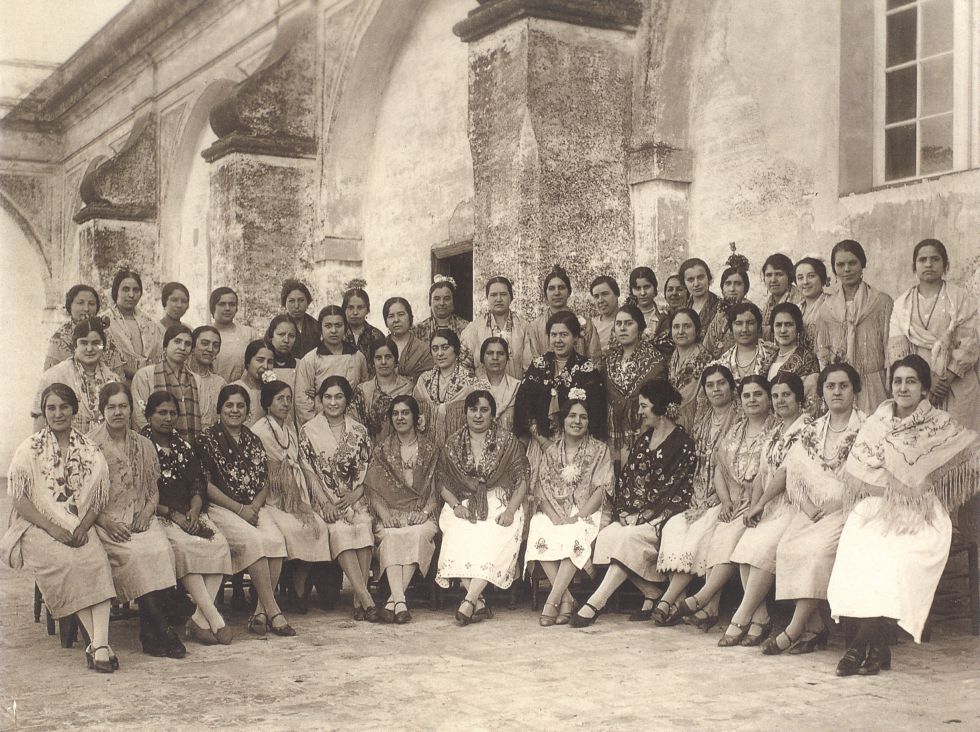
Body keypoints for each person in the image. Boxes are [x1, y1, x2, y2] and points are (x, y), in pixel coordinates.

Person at [828, 355, 980, 675]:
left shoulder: (939, 423)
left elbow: (969, 450)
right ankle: (878, 646)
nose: (903, 387)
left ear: (924, 388)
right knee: (858, 547)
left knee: (894, 557)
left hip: (921, 513)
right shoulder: (876, 423)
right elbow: (862, 467)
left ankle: (861, 645)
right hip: (877, 505)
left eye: (911, 381)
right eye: (898, 381)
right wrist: (888, 494)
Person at [1, 383, 117, 673]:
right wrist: (53, 527)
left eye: (64, 406)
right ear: (44, 412)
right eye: (51, 408)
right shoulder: (30, 448)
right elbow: (19, 498)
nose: (58, 413)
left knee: (95, 561)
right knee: (67, 563)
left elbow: (98, 496)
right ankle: (100, 645)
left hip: (80, 524)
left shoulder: (89, 449)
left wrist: (85, 525)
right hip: (38, 525)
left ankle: (99, 643)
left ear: (74, 411)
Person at [570, 380, 697, 627]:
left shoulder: (682, 443)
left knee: (628, 540)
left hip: (663, 517)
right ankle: (651, 593)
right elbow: (627, 480)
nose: (639, 412)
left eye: (644, 406)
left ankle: (595, 603)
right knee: (607, 536)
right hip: (634, 515)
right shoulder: (643, 440)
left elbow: (678, 489)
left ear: (659, 407)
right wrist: (626, 511)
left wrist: (645, 515)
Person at [763, 363, 865, 655]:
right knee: (787, 547)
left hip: (849, 507)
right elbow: (794, 472)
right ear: (821, 392)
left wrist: (840, 502)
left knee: (817, 552)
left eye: (843, 386)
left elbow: (871, 475)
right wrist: (807, 506)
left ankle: (794, 629)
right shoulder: (813, 430)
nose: (837, 392)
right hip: (812, 508)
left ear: (855, 390)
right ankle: (815, 626)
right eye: (830, 386)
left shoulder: (866, 428)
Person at [671, 375, 777, 633]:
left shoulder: (776, 429)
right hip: (735, 500)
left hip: (765, 501)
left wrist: (752, 502)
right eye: (747, 395)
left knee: (733, 536)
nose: (752, 400)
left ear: (768, 398)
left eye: (758, 394)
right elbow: (720, 467)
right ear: (740, 400)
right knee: (718, 532)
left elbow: (770, 474)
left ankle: (704, 597)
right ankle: (729, 612)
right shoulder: (736, 429)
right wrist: (727, 500)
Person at [89, 383, 184, 658]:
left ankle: (150, 631)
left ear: (131, 409)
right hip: (107, 522)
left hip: (142, 516)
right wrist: (105, 520)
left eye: (123, 406)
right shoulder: (90, 445)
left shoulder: (144, 444)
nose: (118, 412)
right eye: (111, 407)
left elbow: (153, 488)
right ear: (102, 410)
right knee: (136, 556)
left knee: (162, 550)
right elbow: (81, 496)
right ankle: (162, 629)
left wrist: (146, 512)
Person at [194, 385, 294, 637]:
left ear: (248, 411)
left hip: (253, 507)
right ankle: (274, 611)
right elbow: (205, 484)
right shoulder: (206, 440)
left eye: (240, 406)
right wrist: (239, 508)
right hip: (221, 508)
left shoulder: (253, 439)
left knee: (276, 541)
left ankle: (260, 612)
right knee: (255, 542)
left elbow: (264, 481)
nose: (235, 411)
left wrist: (253, 507)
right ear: (219, 409)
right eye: (229, 405)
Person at [141, 391, 234, 646]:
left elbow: (197, 483)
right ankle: (214, 618)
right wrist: (174, 515)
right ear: (149, 415)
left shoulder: (182, 445)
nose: (168, 418)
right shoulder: (140, 445)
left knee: (219, 545)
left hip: (190, 512)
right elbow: (140, 493)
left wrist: (194, 510)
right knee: (183, 547)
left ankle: (198, 620)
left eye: (172, 413)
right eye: (161, 413)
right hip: (160, 514)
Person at [723, 373, 809, 647]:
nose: (780, 400)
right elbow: (762, 473)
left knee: (759, 552)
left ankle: (741, 616)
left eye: (786, 394)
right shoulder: (774, 432)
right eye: (776, 395)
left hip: (795, 505)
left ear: (799, 398)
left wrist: (760, 504)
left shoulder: (806, 429)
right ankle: (759, 619)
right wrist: (755, 506)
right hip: (769, 505)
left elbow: (786, 474)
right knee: (746, 549)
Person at [436, 391, 529, 625]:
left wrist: (510, 511)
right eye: (473, 409)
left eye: (484, 410)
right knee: (458, 531)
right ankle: (477, 602)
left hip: (500, 500)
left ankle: (469, 600)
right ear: (465, 413)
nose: (478, 415)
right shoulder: (453, 443)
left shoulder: (508, 442)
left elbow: (523, 479)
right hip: (462, 501)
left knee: (495, 534)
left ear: (493, 414)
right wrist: (456, 505)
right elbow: (441, 481)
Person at [654, 365, 738, 626]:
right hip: (698, 493)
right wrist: (695, 497)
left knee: (701, 532)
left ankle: (668, 601)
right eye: (710, 385)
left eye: (721, 383)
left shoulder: (740, 420)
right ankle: (686, 600)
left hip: (727, 494)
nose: (716, 389)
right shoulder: (701, 422)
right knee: (674, 528)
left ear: (732, 388)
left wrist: (717, 498)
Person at [524, 395, 613, 626]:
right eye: (572, 416)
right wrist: (556, 517)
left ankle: (551, 601)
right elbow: (541, 488)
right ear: (562, 420)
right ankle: (567, 600)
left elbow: (602, 488)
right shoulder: (552, 451)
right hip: (555, 510)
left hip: (588, 510)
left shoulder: (600, 450)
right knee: (538, 526)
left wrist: (577, 516)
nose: (577, 421)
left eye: (583, 417)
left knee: (575, 534)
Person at [299, 376, 377, 621]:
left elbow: (369, 468)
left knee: (364, 528)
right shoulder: (308, 430)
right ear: (320, 400)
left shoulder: (359, 430)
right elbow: (308, 471)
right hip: (325, 501)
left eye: (339, 396)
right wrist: (325, 503)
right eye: (328, 397)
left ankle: (358, 600)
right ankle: (366, 598)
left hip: (355, 499)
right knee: (341, 532)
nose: (333, 402)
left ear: (347, 400)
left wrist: (357, 494)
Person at [251, 381, 332, 613]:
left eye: (288, 398)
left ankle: (299, 581)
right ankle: (270, 593)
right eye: (279, 399)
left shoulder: (290, 429)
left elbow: (298, 462)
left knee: (318, 528)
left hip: (296, 495)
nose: (285, 403)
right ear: (267, 403)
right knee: (290, 531)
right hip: (271, 498)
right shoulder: (259, 430)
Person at [888, 239, 979, 432]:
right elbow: (898, 352)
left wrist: (945, 380)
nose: (928, 264)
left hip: (957, 383)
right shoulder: (902, 304)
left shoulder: (960, 297)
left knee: (960, 441)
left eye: (935, 259)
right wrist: (924, 381)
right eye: (922, 260)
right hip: (917, 386)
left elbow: (970, 343)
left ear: (945, 265)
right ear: (915, 266)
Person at [363, 395, 440, 624]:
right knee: (390, 535)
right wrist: (384, 513)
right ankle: (400, 601)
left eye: (405, 412)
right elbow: (372, 489)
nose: (400, 417)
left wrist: (424, 512)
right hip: (390, 512)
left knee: (419, 534)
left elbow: (437, 489)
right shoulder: (382, 449)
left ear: (415, 417)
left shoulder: (430, 449)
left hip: (421, 511)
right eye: (395, 413)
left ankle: (392, 602)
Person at [514, 310, 606, 466]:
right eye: (553, 335)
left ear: (576, 337)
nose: (558, 340)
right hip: (542, 444)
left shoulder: (587, 369)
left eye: (564, 335)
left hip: (578, 446)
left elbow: (596, 413)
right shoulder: (538, 366)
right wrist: (545, 444)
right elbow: (524, 407)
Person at [814, 239, 893, 413]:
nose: (847, 269)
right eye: (840, 265)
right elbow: (823, 353)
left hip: (874, 383)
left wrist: (889, 382)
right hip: (840, 387)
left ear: (862, 264)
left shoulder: (881, 302)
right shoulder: (827, 309)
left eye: (852, 263)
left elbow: (890, 347)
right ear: (834, 269)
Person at [602, 304, 667, 464]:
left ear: (640, 327)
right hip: (613, 431)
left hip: (644, 428)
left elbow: (657, 400)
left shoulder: (654, 359)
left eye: (629, 323)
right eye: (619, 324)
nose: (623, 328)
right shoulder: (609, 360)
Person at [35, 317, 121, 434]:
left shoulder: (113, 379)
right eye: (83, 343)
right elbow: (40, 420)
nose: (90, 349)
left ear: (104, 346)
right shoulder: (55, 376)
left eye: (96, 343)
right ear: (75, 345)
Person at [294, 305, 369, 424]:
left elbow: (365, 392)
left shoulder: (358, 357)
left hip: (353, 422)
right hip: (320, 424)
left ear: (345, 328)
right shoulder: (310, 359)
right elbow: (302, 400)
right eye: (328, 326)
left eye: (338, 325)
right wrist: (316, 427)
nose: (333, 330)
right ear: (320, 328)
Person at [132, 325, 202, 438]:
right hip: (152, 443)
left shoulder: (196, 380)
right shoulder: (145, 375)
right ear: (165, 346)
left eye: (187, 344)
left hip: (190, 447)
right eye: (177, 341)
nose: (182, 347)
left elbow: (202, 415)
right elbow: (139, 416)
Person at [414, 329, 481, 445]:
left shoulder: (469, 381)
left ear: (456, 349)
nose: (439, 353)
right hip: (427, 444)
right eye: (435, 349)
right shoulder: (424, 379)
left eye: (445, 347)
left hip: (460, 444)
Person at [460, 276, 532, 378]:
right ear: (487, 298)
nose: (498, 299)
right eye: (493, 295)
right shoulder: (473, 328)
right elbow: (463, 366)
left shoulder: (524, 328)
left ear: (511, 297)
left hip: (518, 390)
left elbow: (530, 366)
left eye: (503, 294)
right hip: (482, 391)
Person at [528, 266, 602, 359]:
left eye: (561, 287)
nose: (557, 293)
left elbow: (595, 359)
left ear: (569, 292)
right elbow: (533, 360)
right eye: (551, 288)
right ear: (545, 294)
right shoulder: (536, 327)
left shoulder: (585, 324)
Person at [45, 284, 123, 372]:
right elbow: (51, 377)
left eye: (91, 304)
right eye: (80, 303)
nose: (86, 309)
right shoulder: (60, 339)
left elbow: (118, 373)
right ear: (69, 306)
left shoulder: (105, 335)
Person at [102, 268, 161, 381]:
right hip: (117, 383)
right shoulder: (104, 322)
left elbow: (157, 356)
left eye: (136, 290)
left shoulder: (150, 323)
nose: (131, 295)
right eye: (125, 289)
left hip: (149, 382)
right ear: (116, 292)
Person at [349, 338, 414, 439]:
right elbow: (353, 423)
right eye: (378, 358)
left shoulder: (407, 387)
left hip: (400, 446)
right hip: (367, 446)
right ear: (373, 362)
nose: (383, 362)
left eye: (388, 357)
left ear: (395, 359)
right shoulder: (362, 390)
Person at [667, 308, 713, 430]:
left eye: (686, 326)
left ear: (697, 330)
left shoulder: (705, 360)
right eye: (676, 327)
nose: (680, 331)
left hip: (696, 422)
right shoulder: (673, 356)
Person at [766, 303, 820, 407]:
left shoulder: (807, 359)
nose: (783, 330)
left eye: (788, 324)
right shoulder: (769, 359)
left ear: (797, 327)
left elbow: (810, 400)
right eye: (778, 325)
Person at [713, 302, 778, 381]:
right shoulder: (724, 362)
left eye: (750, 323)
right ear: (731, 328)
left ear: (759, 326)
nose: (744, 329)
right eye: (738, 323)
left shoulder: (773, 353)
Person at [702, 255, 750, 358]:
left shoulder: (752, 313)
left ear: (745, 288)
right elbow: (707, 346)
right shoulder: (720, 312)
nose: (732, 289)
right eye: (728, 284)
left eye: (737, 284)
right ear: (722, 288)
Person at [209, 287, 257, 383]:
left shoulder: (248, 334)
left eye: (232, 304)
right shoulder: (204, 334)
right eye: (222, 304)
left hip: (243, 389)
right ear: (213, 307)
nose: (227, 308)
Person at [383, 297, 433, 386]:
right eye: (391, 316)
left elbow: (429, 381)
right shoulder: (380, 347)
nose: (396, 320)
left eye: (401, 314)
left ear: (409, 317)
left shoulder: (423, 350)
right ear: (386, 321)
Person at [187, 325, 227, 430]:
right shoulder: (179, 377)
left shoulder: (220, 383)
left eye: (215, 345)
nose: (210, 349)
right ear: (192, 346)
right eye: (205, 343)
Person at [481, 337, 521, 433]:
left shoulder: (518, 387)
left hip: (511, 445)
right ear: (482, 358)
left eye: (501, 353)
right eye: (490, 353)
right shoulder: (473, 387)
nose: (495, 357)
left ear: (507, 358)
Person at [230, 340, 275, 427]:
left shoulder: (273, 392)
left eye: (270, 362)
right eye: (260, 360)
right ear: (248, 362)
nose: (265, 366)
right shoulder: (234, 389)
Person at [412, 276, 471, 343]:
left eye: (446, 298)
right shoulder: (418, 330)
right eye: (437, 299)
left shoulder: (466, 328)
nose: (442, 303)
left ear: (453, 301)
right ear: (430, 302)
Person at [760, 254, 802, 341]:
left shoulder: (799, 300)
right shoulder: (768, 302)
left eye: (779, 274)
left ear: (789, 277)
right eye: (768, 275)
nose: (773, 280)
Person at [343, 285, 387, 367]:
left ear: (367, 310)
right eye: (350, 308)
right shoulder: (337, 335)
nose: (355, 312)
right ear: (344, 310)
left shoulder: (377, 336)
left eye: (360, 308)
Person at [680, 257, 720, 342]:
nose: (696, 284)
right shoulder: (682, 309)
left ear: (708, 278)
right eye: (690, 280)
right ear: (684, 283)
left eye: (701, 277)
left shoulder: (721, 307)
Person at [794, 257, 830, 348]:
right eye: (800, 278)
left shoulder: (831, 304)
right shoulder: (796, 308)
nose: (805, 282)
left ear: (822, 278)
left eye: (811, 276)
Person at [652, 274, 689, 359]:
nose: (674, 293)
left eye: (679, 289)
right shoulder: (662, 318)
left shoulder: (692, 318)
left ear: (687, 293)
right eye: (670, 289)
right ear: (665, 294)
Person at [265, 314, 300, 406]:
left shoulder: (300, 365)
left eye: (291, 336)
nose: (286, 340)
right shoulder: (261, 364)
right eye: (281, 334)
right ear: (271, 335)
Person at [281, 279, 319, 358]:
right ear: (284, 303)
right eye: (291, 301)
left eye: (301, 300)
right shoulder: (277, 326)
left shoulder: (316, 326)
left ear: (307, 302)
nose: (296, 306)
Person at [590, 275, 621, 355]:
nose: (600, 300)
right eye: (596, 296)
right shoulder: (590, 325)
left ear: (617, 294)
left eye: (605, 294)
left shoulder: (627, 322)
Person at [628, 266, 663, 337]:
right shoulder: (624, 316)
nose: (643, 293)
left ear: (654, 288)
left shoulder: (663, 318)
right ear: (631, 291)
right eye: (638, 288)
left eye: (646, 287)